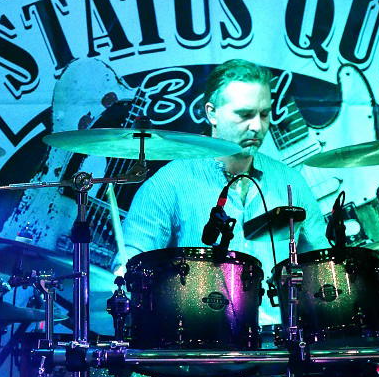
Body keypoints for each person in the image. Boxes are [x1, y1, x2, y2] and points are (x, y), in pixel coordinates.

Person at [122, 59, 329, 326]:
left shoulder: (291, 182)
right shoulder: (168, 184)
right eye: (244, 114)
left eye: (264, 114)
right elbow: (132, 267)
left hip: (277, 341)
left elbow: (321, 265)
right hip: (198, 341)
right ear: (212, 113)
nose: (257, 126)